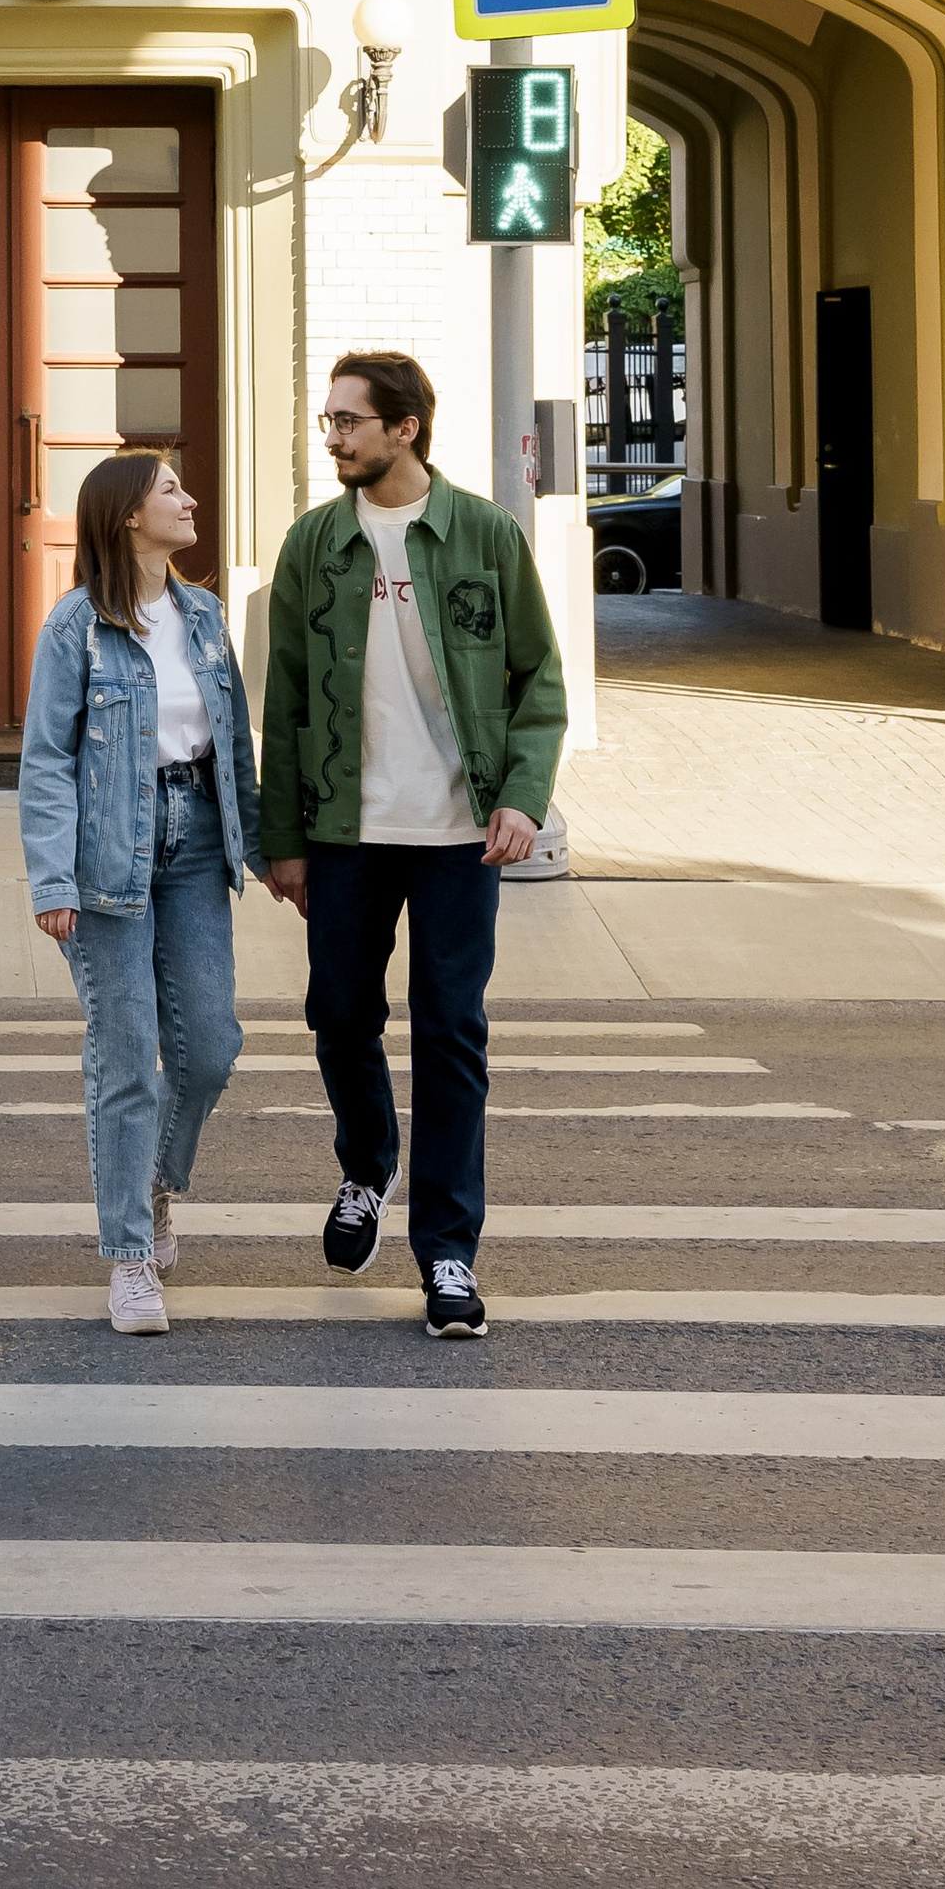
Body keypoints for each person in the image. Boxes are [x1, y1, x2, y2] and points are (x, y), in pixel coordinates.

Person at [258, 350, 564, 1341]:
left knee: (449, 1034)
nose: (334, 436)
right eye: (328, 420)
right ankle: (365, 1166)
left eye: (349, 420)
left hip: (454, 835)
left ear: (405, 429)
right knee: (339, 1016)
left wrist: (521, 799)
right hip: (344, 831)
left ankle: (446, 1250)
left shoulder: (480, 533)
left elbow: (536, 681)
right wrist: (285, 840)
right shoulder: (313, 544)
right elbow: (286, 699)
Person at [20, 449, 265, 1336]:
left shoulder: (203, 617)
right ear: (128, 514)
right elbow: (46, 761)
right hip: (106, 858)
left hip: (197, 837)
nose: (190, 499)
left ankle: (158, 1181)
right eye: (170, 490)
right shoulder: (75, 627)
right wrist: (52, 878)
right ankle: (128, 1257)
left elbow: (234, 743)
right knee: (125, 1058)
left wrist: (268, 850)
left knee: (210, 1047)